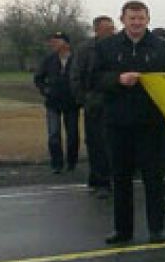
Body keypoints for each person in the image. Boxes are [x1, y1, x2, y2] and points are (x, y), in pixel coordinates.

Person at [92, 1, 165, 244]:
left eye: (141, 18)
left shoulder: (164, 49)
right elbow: (95, 79)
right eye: (132, 18)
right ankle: (122, 230)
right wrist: (118, 79)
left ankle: (157, 228)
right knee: (120, 178)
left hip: (152, 124)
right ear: (122, 19)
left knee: (154, 178)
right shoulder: (106, 47)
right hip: (117, 122)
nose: (137, 23)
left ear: (148, 19)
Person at [70, 16, 116, 195]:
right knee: (95, 143)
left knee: (111, 144)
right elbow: (75, 76)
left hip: (113, 102)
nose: (111, 32)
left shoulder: (117, 47)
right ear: (97, 30)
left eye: (112, 28)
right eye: (107, 29)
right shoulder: (85, 50)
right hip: (94, 103)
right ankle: (98, 180)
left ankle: (106, 179)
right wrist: (84, 99)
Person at [34, 31, 80, 174]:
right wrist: (45, 90)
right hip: (53, 102)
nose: (53, 44)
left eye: (56, 41)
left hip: (72, 103)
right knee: (53, 134)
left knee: (72, 134)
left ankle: (72, 162)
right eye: (52, 41)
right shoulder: (49, 60)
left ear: (66, 43)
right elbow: (38, 78)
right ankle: (56, 163)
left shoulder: (76, 59)